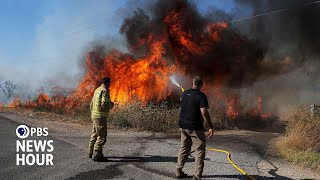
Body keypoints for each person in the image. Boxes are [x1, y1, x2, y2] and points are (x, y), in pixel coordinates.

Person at [176, 76, 214, 180]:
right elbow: (204, 112)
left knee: (184, 148)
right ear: (202, 84)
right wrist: (210, 126)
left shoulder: (184, 93)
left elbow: (182, 99)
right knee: (199, 151)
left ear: (192, 83)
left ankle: (179, 171)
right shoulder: (201, 96)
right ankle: (197, 176)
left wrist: (184, 92)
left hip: (183, 126)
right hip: (195, 127)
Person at [89, 77, 114, 161]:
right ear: (107, 83)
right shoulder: (105, 90)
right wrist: (111, 105)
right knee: (102, 135)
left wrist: (93, 112)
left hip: (94, 115)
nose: (110, 84)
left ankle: (90, 152)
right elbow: (104, 103)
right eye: (110, 83)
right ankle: (97, 155)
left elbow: (91, 103)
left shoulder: (97, 90)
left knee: (95, 133)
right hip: (100, 117)